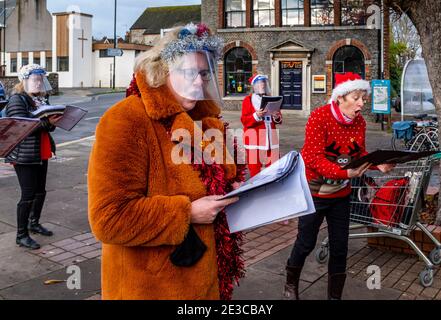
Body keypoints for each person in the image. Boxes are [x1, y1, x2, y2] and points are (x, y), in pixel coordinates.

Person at [88, 23, 246, 300]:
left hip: (205, 281)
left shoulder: (206, 121)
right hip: (152, 287)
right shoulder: (127, 119)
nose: (199, 82)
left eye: (204, 73)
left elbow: (219, 182)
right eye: (188, 72)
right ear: (162, 71)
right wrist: (186, 214)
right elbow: (108, 218)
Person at [283, 72, 394, 300]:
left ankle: (335, 297)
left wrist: (377, 165)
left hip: (341, 194)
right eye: (357, 98)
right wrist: (345, 172)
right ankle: (290, 284)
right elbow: (313, 158)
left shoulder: (360, 122)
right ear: (340, 98)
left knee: (340, 247)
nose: (362, 104)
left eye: (364, 98)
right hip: (315, 193)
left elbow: (358, 153)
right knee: (305, 243)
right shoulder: (319, 117)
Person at [4, 64, 61, 250]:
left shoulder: (40, 99)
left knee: (40, 191)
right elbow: (20, 127)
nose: (39, 83)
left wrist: (53, 122)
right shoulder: (17, 100)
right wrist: (47, 123)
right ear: (24, 80)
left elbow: (46, 126)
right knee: (28, 194)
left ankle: (33, 223)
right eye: (35, 79)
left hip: (41, 150)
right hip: (24, 153)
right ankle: (21, 235)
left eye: (41, 79)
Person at [241, 74, 282, 177]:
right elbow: (244, 120)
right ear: (254, 86)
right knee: (255, 171)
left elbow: (278, 118)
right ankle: (256, 190)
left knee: (274, 168)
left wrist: (276, 116)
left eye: (264, 82)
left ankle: (271, 189)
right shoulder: (248, 100)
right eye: (259, 83)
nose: (262, 85)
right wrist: (256, 115)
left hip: (271, 138)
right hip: (254, 139)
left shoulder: (271, 99)